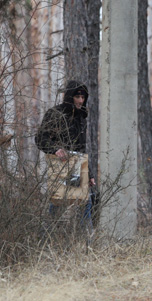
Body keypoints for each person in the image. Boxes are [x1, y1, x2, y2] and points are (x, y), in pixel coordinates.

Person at [36, 80, 95, 225]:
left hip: (78, 165)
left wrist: (89, 173)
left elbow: (81, 149)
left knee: (86, 201)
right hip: (59, 165)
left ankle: (85, 240)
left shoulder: (81, 118)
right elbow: (40, 138)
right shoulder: (55, 113)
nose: (81, 101)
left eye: (83, 98)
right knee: (57, 201)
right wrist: (55, 149)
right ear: (70, 96)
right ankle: (49, 237)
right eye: (77, 97)